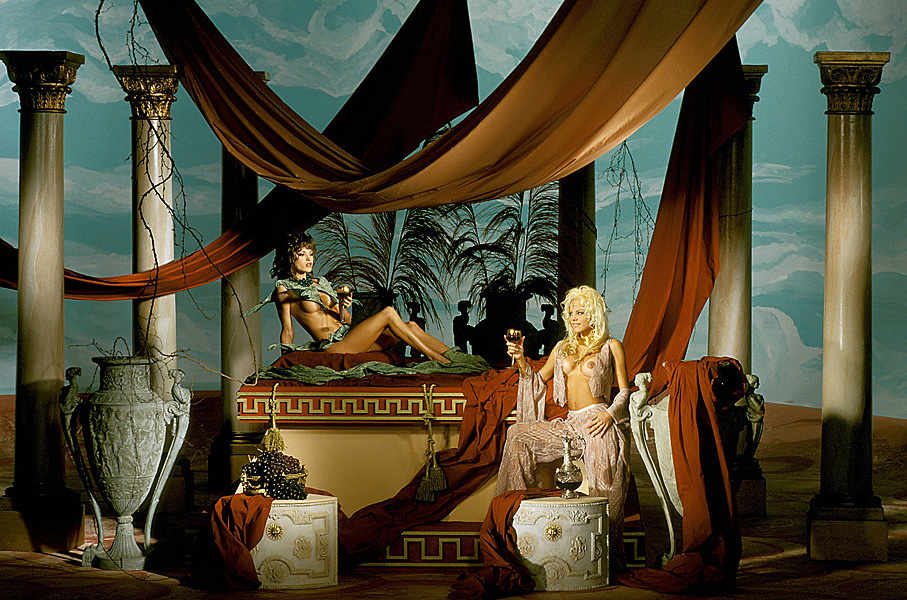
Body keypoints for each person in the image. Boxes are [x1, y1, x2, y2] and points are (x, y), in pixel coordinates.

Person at [494, 285, 631, 573]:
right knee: (518, 435)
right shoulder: (562, 348)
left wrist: (610, 414)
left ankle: (603, 559)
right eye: (570, 312)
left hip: (598, 421)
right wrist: (520, 358)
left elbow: (624, 390)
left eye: (580, 312)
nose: (573, 317)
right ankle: (512, 525)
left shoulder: (611, 346)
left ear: (593, 314)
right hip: (570, 423)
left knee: (605, 488)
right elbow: (535, 380)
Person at [262, 232, 452, 363]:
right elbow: (287, 331)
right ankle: (435, 358)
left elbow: (347, 320)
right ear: (289, 257)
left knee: (411, 326)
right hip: (335, 347)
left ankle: (455, 359)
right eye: (302, 254)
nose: (309, 259)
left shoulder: (320, 282)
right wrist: (284, 363)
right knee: (388, 313)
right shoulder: (284, 289)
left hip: (350, 338)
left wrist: (343, 306)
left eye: (311, 254)